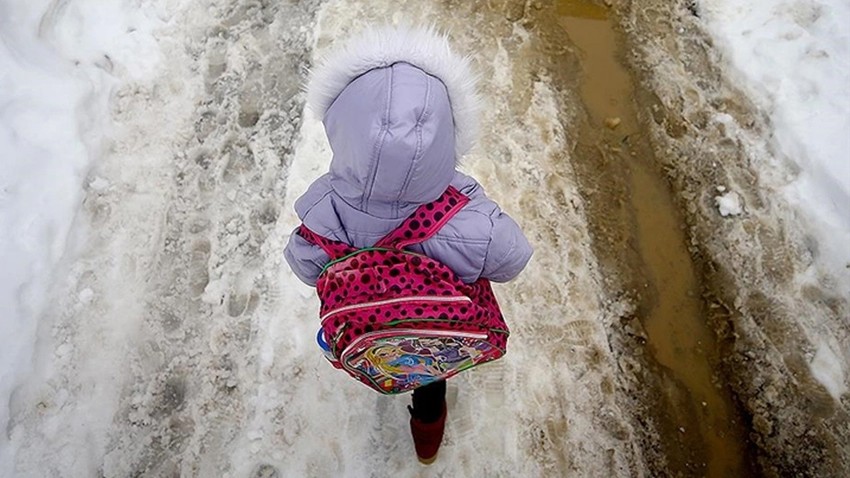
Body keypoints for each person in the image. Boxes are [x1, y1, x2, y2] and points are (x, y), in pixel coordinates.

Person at [284, 26, 532, 464]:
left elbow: (304, 263)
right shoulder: (467, 219)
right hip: (433, 328)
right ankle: (427, 441)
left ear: (341, 130)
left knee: (386, 351)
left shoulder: (324, 209)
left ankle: (383, 369)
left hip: (367, 327)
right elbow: (513, 258)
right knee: (429, 376)